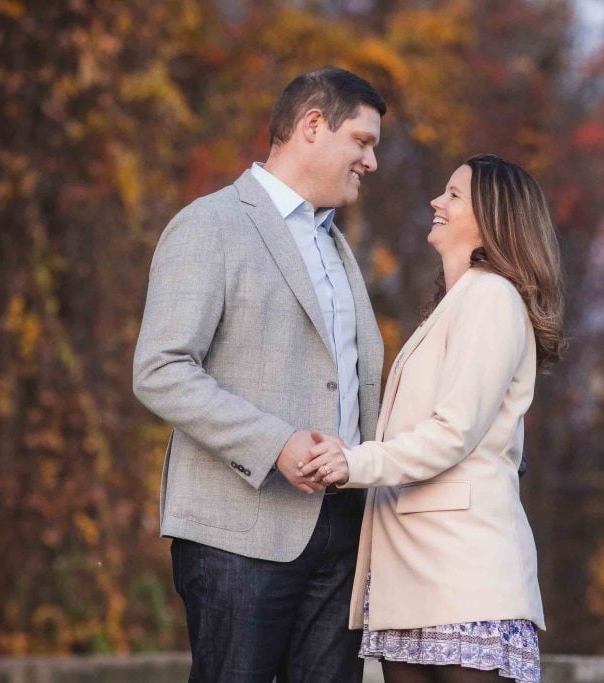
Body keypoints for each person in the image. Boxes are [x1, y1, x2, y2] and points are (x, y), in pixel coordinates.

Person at [132, 67, 386, 681]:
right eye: (363, 141)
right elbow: (160, 369)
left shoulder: (335, 246)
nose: (371, 161)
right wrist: (276, 445)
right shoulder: (209, 225)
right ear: (313, 126)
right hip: (236, 535)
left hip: (342, 531)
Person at [301, 154, 564, 682]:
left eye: (453, 195)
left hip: (462, 578)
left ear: (492, 218)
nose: (436, 203)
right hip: (410, 580)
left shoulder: (491, 298)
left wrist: (351, 463)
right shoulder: (456, 303)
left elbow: (452, 434)